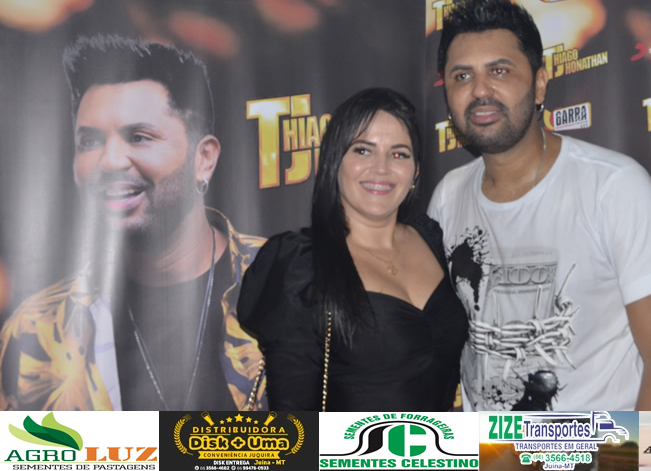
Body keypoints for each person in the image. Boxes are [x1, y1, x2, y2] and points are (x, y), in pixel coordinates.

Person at [429, 0, 651, 411]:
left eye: (499, 71)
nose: (480, 90)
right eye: (462, 76)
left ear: (539, 84)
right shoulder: (448, 196)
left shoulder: (612, 186)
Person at [0, 35, 266, 411]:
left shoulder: (294, 283)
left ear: (204, 159)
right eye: (89, 142)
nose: (110, 161)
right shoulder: (36, 333)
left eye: (139, 137)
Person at [238, 87, 468, 411]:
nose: (381, 168)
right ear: (335, 161)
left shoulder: (433, 239)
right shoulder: (301, 267)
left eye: (399, 154)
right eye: (363, 150)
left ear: (416, 171)